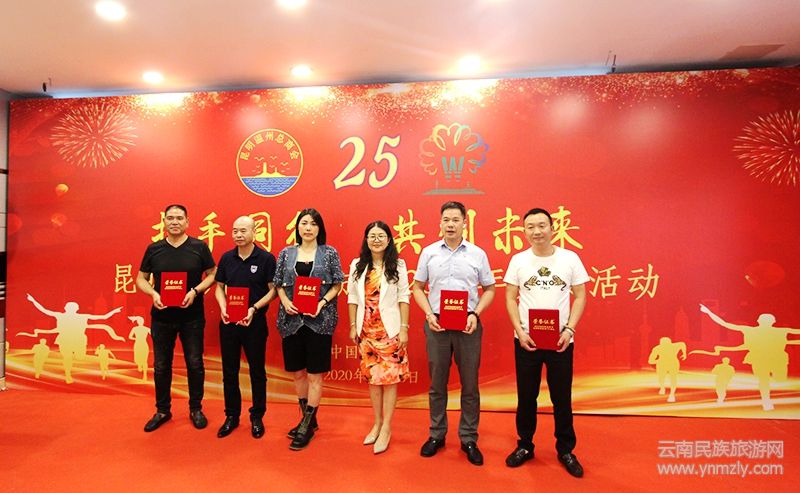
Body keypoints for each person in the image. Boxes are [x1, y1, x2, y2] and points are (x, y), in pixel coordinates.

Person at [503, 207, 588, 478]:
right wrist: (519, 331)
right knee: (526, 396)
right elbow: (510, 297)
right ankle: (525, 445)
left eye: (542, 225)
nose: (537, 231)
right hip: (526, 340)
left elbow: (581, 295)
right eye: (530, 227)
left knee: (561, 397)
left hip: (560, 341)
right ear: (524, 231)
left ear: (552, 228)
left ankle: (566, 450)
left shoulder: (569, 258)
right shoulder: (518, 260)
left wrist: (570, 329)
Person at [412, 201, 495, 466]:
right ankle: (436, 434)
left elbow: (490, 289)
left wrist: (476, 314)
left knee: (470, 385)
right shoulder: (429, 253)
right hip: (437, 324)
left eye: (455, 220)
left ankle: (469, 437)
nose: (450, 224)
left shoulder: (477, 254)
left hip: (468, 325)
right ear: (440, 223)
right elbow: (417, 288)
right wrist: (428, 314)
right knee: (437, 384)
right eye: (446, 220)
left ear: (464, 223)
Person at [136, 204, 217, 432]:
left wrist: (196, 291)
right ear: (164, 222)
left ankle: (196, 409)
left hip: (192, 317)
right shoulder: (154, 249)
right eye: (170, 218)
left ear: (187, 222)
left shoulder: (199, 247)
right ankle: (163, 410)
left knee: (195, 363)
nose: (174, 222)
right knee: (161, 365)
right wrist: (153, 293)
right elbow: (141, 278)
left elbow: (213, 274)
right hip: (161, 317)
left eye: (179, 218)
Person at [274, 208, 344, 450]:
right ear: (298, 227)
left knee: (315, 375)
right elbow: (278, 284)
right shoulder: (286, 253)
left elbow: (337, 284)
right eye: (304, 223)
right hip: (291, 321)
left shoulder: (329, 253)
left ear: (319, 228)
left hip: (319, 321)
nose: (308, 228)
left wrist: (321, 302)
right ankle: (308, 420)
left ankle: (306, 425)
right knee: (298, 373)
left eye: (313, 224)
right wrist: (285, 301)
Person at [347, 220, 411, 454]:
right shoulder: (357, 265)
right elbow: (352, 298)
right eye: (372, 236)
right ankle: (376, 423)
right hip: (366, 331)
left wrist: (404, 328)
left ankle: (386, 428)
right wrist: (352, 326)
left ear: (388, 240)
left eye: (381, 236)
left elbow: (404, 297)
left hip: (390, 330)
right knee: (373, 380)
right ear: (366, 240)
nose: (376, 240)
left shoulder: (398, 265)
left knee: (390, 380)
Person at [213, 216, 277, 439]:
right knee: (229, 371)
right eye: (235, 231)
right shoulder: (226, 258)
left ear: (254, 232)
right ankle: (231, 415)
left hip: (254, 323)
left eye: (243, 231)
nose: (238, 235)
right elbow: (219, 287)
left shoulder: (266, 259)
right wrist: (223, 307)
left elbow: (273, 290)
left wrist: (254, 309)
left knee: (257, 371)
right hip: (229, 323)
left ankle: (257, 415)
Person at [695, 305, 800, 411]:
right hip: (763, 359)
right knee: (765, 380)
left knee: (774, 380)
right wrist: (709, 312)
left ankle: (768, 398)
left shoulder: (779, 331)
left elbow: (724, 324)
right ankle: (766, 401)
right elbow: (725, 324)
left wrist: (709, 312)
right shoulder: (779, 331)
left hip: (774, 359)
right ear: (773, 321)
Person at [647, 336, 687, 402]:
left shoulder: (657, 348)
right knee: (671, 378)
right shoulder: (673, 346)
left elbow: (650, 361)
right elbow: (682, 344)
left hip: (666, 364)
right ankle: (668, 392)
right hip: (671, 363)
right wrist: (684, 353)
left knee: (665, 378)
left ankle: (668, 392)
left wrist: (658, 361)